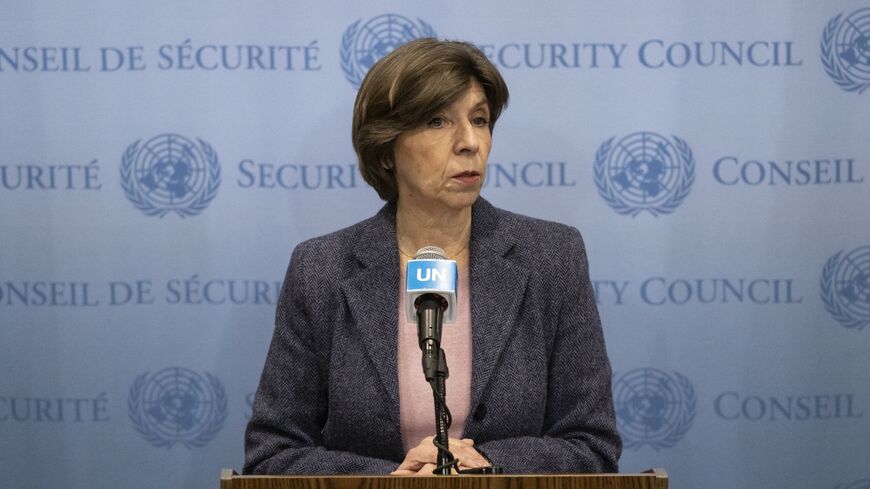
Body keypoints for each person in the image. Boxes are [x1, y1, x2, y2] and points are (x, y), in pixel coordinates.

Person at [244, 38, 621, 475]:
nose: (469, 143)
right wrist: (388, 480)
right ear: (386, 146)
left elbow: (592, 446)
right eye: (438, 121)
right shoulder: (321, 269)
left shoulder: (551, 258)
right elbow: (273, 454)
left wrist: (486, 464)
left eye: (479, 120)